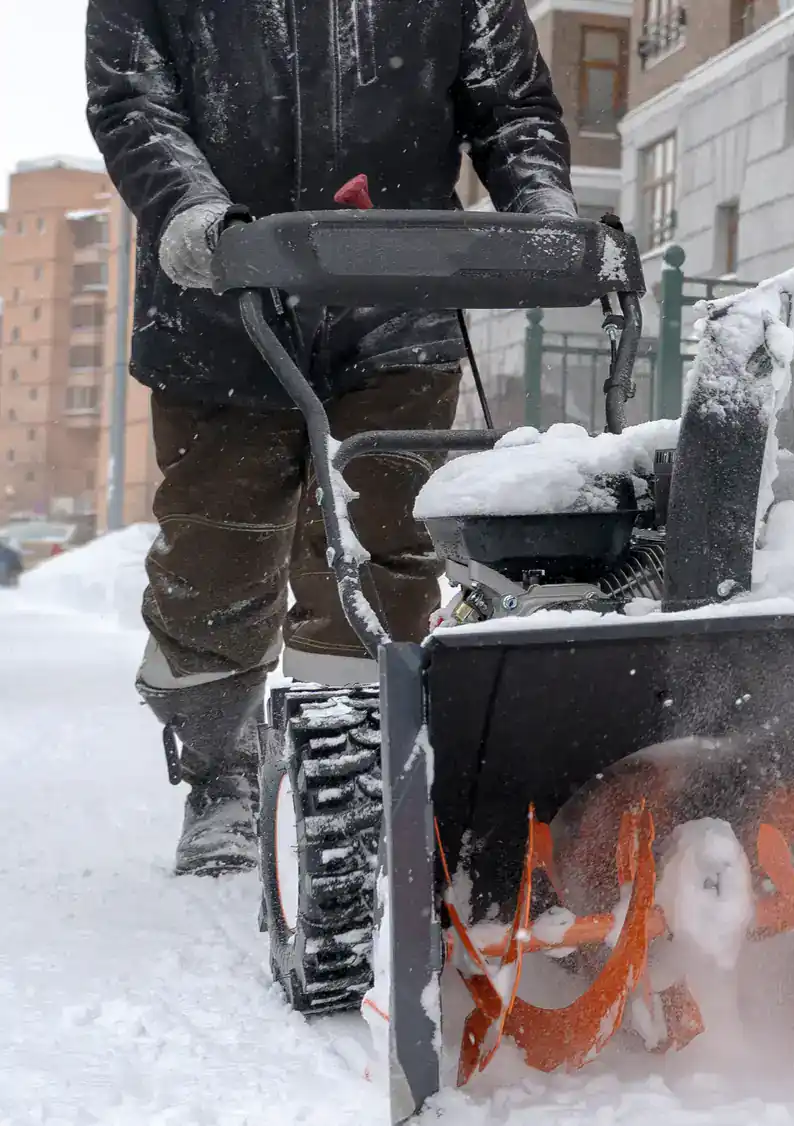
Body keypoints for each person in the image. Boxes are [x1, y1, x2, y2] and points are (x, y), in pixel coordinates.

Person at [85, 0, 576, 876]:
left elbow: (510, 104)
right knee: (217, 553)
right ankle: (220, 774)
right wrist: (191, 210)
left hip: (395, 297)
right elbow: (133, 101)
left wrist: (540, 205)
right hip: (220, 303)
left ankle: (341, 772)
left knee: (384, 544)